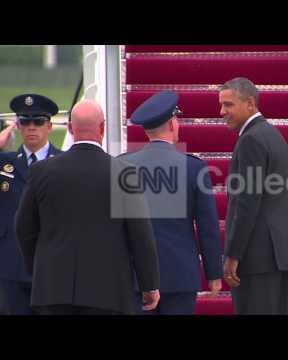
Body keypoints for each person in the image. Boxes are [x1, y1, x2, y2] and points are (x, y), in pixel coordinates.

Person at [15, 100, 160, 315]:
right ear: (102, 127)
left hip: (53, 290)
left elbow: (24, 228)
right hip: (107, 292)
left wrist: (39, 268)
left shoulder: (41, 171)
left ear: (71, 128)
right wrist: (149, 284)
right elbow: (140, 233)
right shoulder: (123, 172)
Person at [119, 90, 223, 315]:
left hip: (136, 277)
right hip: (180, 275)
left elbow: (115, 224)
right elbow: (207, 227)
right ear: (172, 123)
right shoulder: (194, 167)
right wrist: (214, 273)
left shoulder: (123, 165)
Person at [219, 77, 288, 314]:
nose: (222, 112)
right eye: (222, 105)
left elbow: (247, 203)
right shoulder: (273, 135)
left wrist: (233, 254)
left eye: (229, 105)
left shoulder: (250, 140)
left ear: (250, 104)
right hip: (276, 254)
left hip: (257, 257)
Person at [0, 94, 63, 315]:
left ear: (49, 126)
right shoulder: (4, 163)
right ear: (17, 125)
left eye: (37, 122)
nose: (31, 128)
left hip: (50, 264)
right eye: (25, 122)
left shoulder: (64, 163)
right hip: (10, 265)